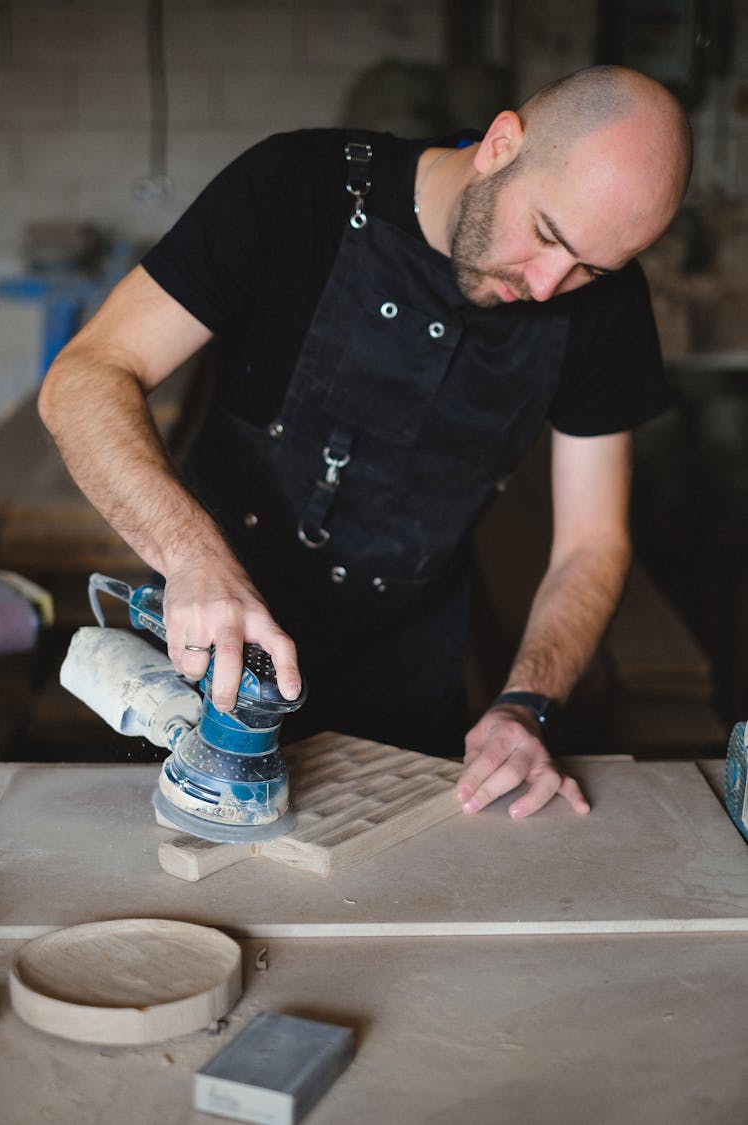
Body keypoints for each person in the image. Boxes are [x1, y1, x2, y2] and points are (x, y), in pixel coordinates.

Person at [38, 65, 692, 821]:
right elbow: (86, 376)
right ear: (501, 144)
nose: (548, 284)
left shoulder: (606, 309)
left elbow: (592, 543)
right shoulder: (293, 189)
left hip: (405, 704)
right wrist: (192, 559)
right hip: (205, 670)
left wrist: (523, 706)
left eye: (591, 268)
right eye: (547, 235)